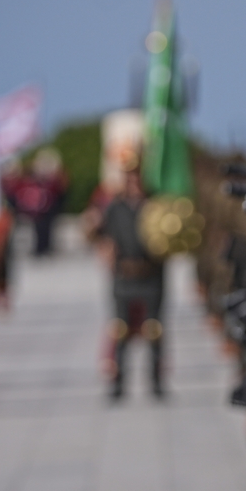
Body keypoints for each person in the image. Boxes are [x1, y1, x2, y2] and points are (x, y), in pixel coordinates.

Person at [96, 163, 166, 400]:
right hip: (124, 275)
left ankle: (156, 382)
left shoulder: (155, 206)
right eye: (129, 178)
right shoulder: (115, 208)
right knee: (120, 329)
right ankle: (118, 383)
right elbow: (102, 235)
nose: (133, 183)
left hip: (151, 275)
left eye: (137, 178)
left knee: (154, 329)